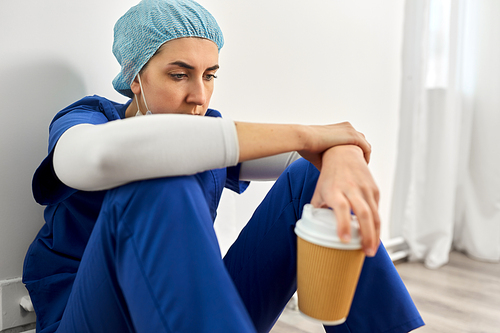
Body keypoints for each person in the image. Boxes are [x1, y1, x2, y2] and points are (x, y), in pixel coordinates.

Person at [23, 0, 424, 332]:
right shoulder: (87, 121)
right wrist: (308, 135)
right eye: (179, 75)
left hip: (190, 313)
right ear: (136, 78)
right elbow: (96, 158)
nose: (199, 96)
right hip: (96, 318)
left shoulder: (206, 131)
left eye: (210, 75)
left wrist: (341, 154)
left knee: (311, 175)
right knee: (157, 179)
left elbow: (301, 158)